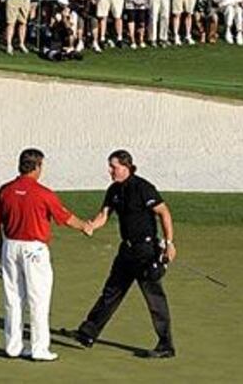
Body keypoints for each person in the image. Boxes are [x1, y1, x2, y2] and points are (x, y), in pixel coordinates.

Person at [0, 148, 93, 361]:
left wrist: (0, 246)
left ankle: (13, 347)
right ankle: (39, 349)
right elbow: (65, 217)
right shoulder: (43, 193)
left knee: (13, 298)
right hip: (34, 249)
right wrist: (85, 226)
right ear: (36, 167)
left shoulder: (5, 190)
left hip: (10, 246)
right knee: (38, 298)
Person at [69, 150, 177, 359]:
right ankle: (88, 333)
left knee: (155, 299)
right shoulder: (114, 190)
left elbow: (164, 212)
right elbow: (104, 215)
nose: (110, 171)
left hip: (146, 251)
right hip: (126, 251)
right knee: (111, 293)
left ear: (126, 167)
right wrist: (90, 226)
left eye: (114, 167)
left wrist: (169, 244)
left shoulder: (143, 188)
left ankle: (166, 345)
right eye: (110, 166)